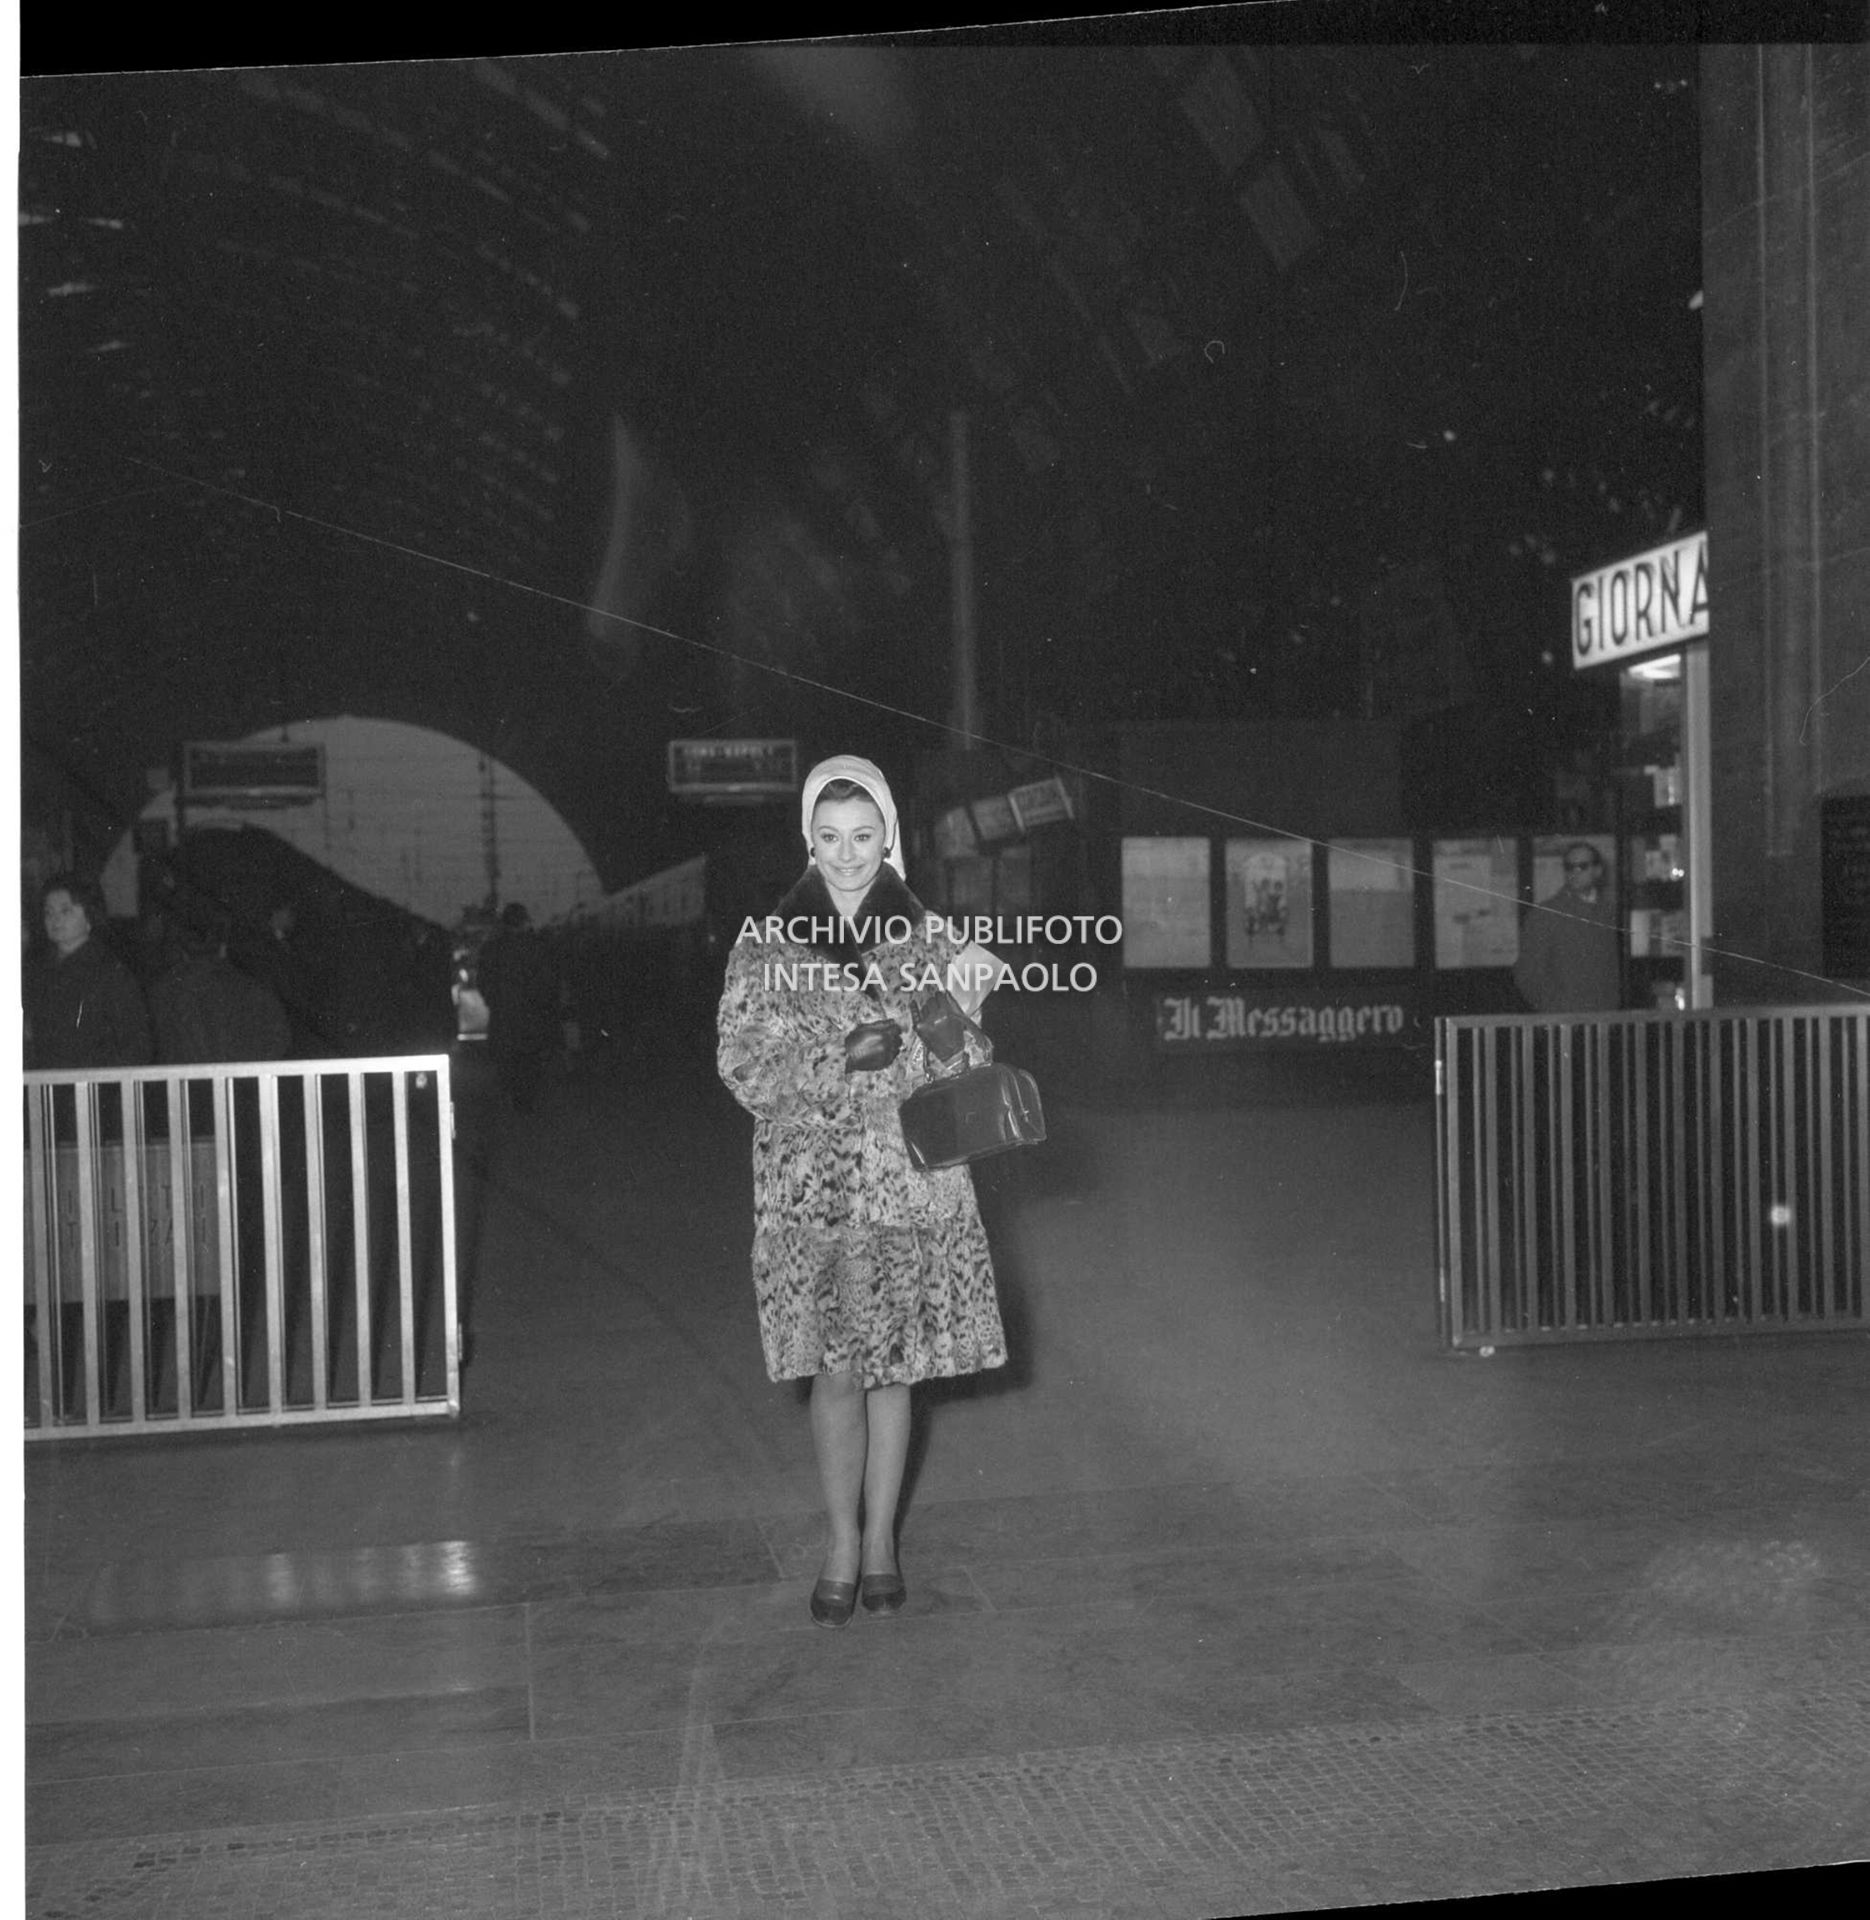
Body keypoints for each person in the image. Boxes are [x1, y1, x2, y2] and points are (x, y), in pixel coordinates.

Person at [716, 754, 1008, 1629]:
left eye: (864, 836)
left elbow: (967, 1066)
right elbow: (739, 1064)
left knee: (896, 1374)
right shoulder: (765, 945)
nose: (847, 856)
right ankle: (840, 1539)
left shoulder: (931, 943)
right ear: (809, 839)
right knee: (837, 1373)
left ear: (889, 840)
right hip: (814, 1197)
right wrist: (834, 1058)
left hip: (910, 1190)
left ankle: (881, 1540)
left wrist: (965, 1005)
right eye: (830, 838)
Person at [24, 873, 153, 1070]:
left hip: (94, 1088)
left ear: (89, 917)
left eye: (66, 911)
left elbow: (137, 1044)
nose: (55, 919)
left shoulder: (111, 972)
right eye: (49, 912)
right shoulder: (37, 970)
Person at [149, 910, 292, 1066]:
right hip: (237, 1085)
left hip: (181, 1086)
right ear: (222, 946)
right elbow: (279, 1037)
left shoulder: (164, 990)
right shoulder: (249, 989)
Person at [1513, 841, 1622, 1013]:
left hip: (1604, 1021)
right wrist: (1556, 1009)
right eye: (1569, 867)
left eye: (1582, 866)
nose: (1575, 872)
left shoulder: (1610, 914)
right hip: (1564, 1025)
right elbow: (1528, 973)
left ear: (1597, 870)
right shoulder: (1545, 915)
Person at [477, 902, 559, 1112]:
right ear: (523, 921)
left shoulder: (491, 948)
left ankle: (512, 1095)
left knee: (507, 1057)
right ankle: (526, 1100)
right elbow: (547, 981)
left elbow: (483, 981)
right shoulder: (536, 947)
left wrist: (493, 1000)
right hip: (531, 1014)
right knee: (529, 1058)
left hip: (503, 1014)